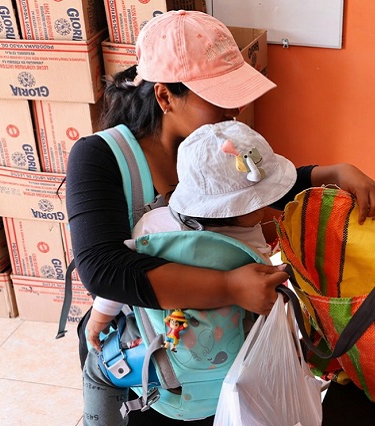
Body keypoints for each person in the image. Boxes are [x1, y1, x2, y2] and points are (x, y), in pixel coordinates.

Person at [66, 10, 375, 425]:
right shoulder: (100, 157)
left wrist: (332, 172)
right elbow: (103, 269)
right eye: (219, 98)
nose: (234, 108)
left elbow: (252, 192)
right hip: (148, 359)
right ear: (166, 97)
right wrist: (227, 286)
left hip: (213, 352)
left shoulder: (217, 142)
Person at [81, 120, 298, 425]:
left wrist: (99, 318)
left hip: (163, 360)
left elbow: (121, 279)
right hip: (224, 372)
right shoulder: (255, 250)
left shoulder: (154, 228)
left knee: (98, 366)